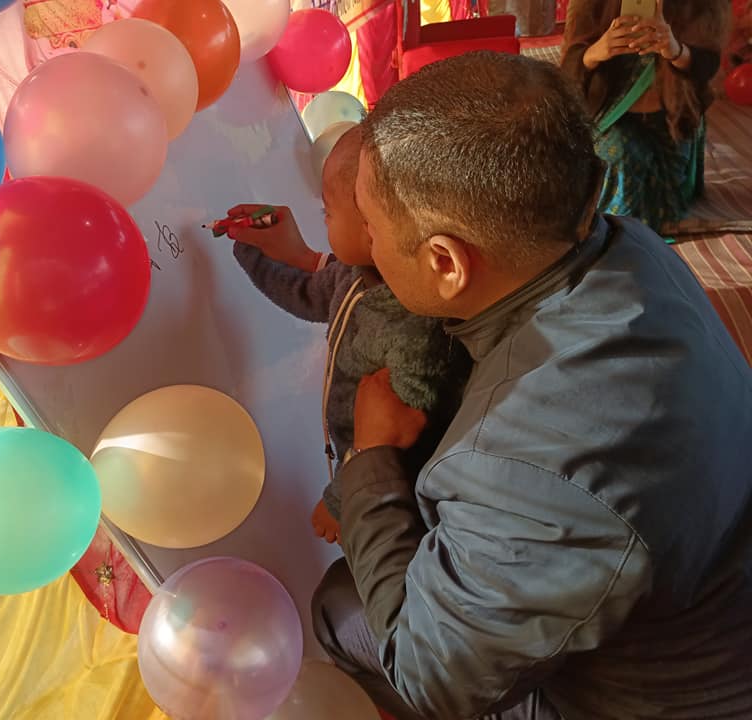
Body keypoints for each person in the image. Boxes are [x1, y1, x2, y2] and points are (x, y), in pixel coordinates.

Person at [241, 51, 752, 719]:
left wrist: (369, 463)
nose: (362, 242)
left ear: (447, 263)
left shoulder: (531, 468)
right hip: (708, 594)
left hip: (652, 699)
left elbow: (431, 675)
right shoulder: (625, 245)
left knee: (341, 608)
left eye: (370, 225)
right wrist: (309, 261)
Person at [223, 126, 471, 544]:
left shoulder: (416, 327)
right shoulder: (357, 273)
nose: (325, 221)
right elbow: (309, 293)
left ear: (373, 228)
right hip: (355, 460)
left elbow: (400, 434)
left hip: (394, 488)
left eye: (329, 213)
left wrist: (342, 499)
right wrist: (253, 254)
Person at [560, 0, 730, 233]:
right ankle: (621, 232)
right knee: (621, 156)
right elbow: (567, 74)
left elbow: (708, 63)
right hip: (609, 115)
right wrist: (595, 53)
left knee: (662, 191)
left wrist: (676, 51)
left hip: (672, 120)